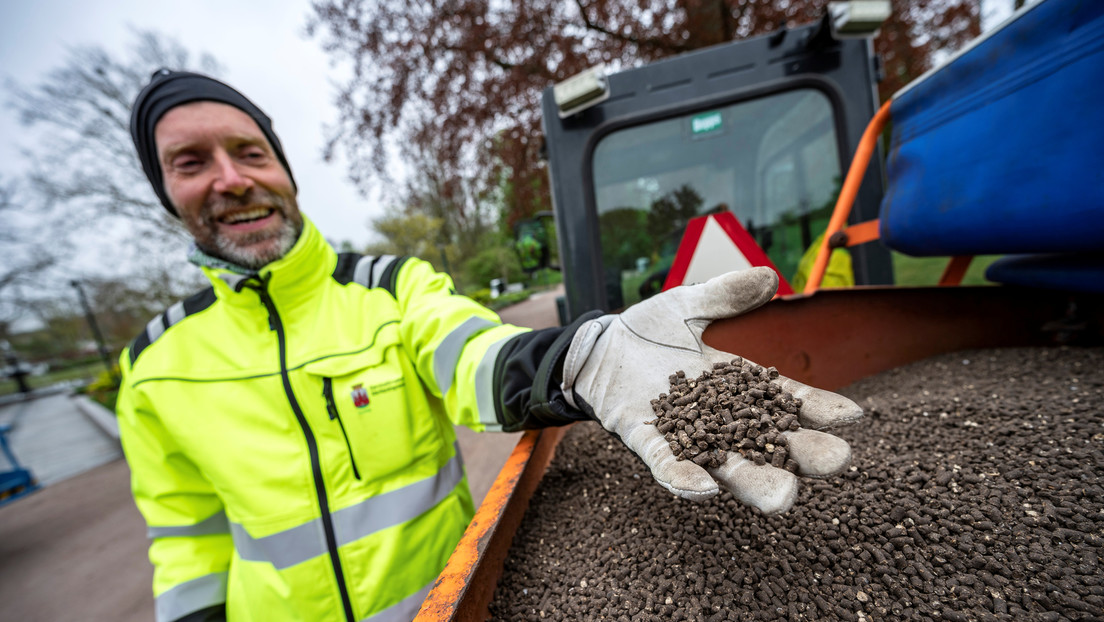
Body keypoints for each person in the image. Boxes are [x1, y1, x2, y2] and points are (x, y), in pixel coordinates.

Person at [119, 69, 862, 622]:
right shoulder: (152, 367)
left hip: (448, 604)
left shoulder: (390, 289)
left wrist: (582, 356)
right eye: (191, 162)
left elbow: (473, 355)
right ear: (164, 192)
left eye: (249, 152)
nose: (231, 180)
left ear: (282, 168)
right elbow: (186, 544)